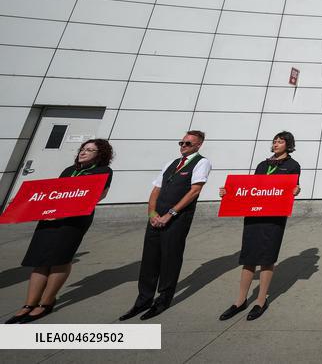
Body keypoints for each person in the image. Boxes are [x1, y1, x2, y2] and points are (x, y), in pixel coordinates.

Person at [6, 139, 114, 324]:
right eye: (83, 149)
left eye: (90, 150)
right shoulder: (68, 170)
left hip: (74, 220)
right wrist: (30, 203)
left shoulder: (103, 171)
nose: (83, 152)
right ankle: (29, 304)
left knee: (60, 259)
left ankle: (46, 302)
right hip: (50, 218)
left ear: (100, 154)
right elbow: (53, 192)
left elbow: (99, 195)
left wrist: (67, 209)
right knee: (40, 259)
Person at [119, 130, 211, 321]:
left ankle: (163, 300)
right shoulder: (171, 163)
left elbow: (194, 191)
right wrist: (152, 213)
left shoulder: (201, 162)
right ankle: (143, 299)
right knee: (149, 259)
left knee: (170, 258)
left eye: (188, 143)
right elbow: (156, 189)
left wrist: (171, 214)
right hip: (156, 217)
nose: (183, 146)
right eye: (181, 143)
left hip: (177, 218)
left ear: (198, 145)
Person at [218, 131, 301, 321]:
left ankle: (261, 300)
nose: (276, 144)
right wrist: (228, 192)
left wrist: (296, 190)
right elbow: (251, 188)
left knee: (266, 258)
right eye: (275, 141)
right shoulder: (263, 165)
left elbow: (292, 187)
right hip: (254, 216)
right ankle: (240, 300)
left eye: (280, 142)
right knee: (248, 257)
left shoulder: (292, 165)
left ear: (288, 145)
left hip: (273, 217)